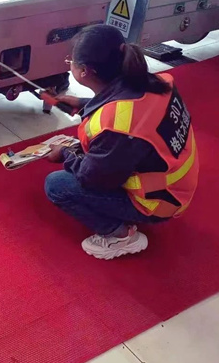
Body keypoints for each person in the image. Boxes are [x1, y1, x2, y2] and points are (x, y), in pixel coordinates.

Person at [44, 25, 199, 260]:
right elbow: (132, 110)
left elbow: (93, 178)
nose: (69, 64)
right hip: (176, 183)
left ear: (84, 71)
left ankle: (120, 236)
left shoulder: (118, 126)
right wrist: (84, 104)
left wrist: (65, 153)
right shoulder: (155, 81)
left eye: (70, 62)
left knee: (57, 185)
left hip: (159, 202)